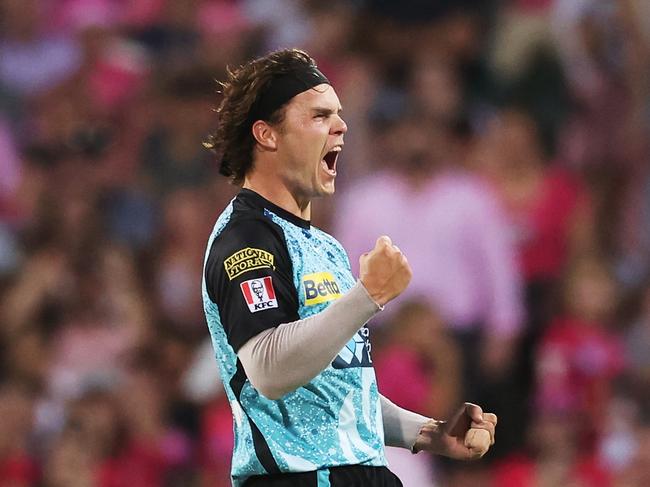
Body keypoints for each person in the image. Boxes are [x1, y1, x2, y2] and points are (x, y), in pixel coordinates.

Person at [201, 48, 497, 487]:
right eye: (319, 116)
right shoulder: (245, 240)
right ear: (266, 134)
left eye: (338, 114)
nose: (341, 126)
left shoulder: (325, 247)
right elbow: (268, 370)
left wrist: (432, 435)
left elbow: (343, 394)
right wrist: (368, 295)